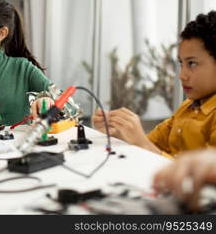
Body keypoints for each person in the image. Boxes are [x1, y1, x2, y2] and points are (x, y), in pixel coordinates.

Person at [92, 11, 216, 157]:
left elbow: (204, 178)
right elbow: (150, 144)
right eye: (181, 63)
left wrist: (141, 143)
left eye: (192, 63)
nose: (182, 75)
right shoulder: (188, 107)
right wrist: (121, 131)